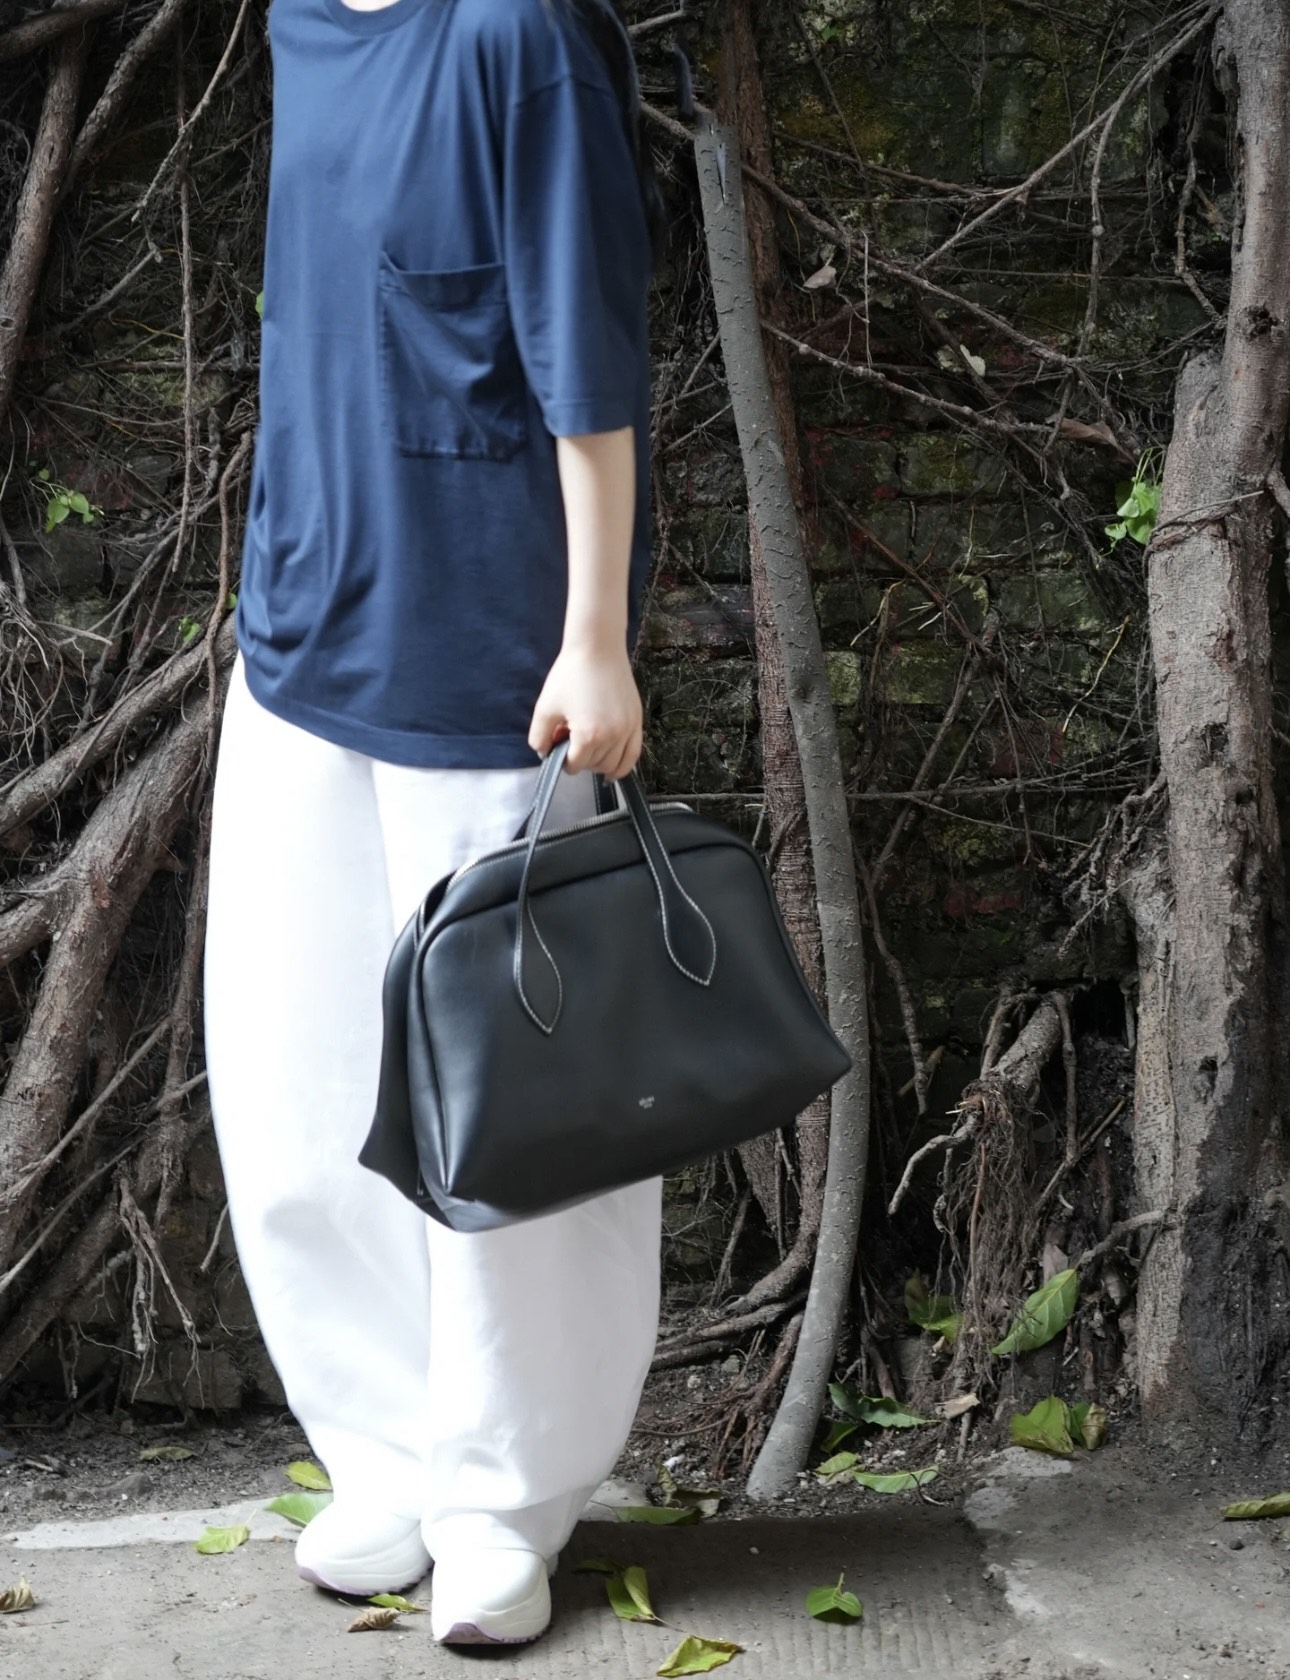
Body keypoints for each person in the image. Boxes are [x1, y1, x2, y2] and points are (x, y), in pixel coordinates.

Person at [203, 0, 661, 1648]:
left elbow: (585, 347)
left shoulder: (515, 33)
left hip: (489, 668)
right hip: (301, 644)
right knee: (295, 1090)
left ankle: (502, 1502)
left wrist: (594, 636)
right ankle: (385, 1457)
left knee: (509, 1118)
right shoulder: (301, 23)